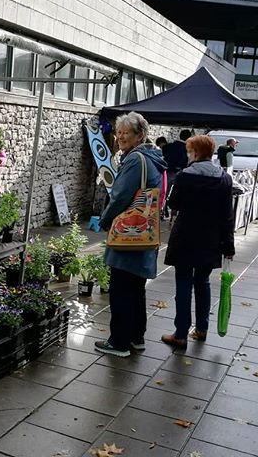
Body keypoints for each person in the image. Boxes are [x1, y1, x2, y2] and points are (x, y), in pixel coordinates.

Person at [95, 112, 167, 357]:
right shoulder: (152, 157)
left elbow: (120, 196)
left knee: (122, 288)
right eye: (120, 132)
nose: (121, 136)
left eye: (127, 132)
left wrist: (105, 220)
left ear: (141, 135)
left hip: (130, 234)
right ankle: (136, 338)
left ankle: (119, 342)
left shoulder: (136, 159)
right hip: (144, 233)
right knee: (136, 288)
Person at [161, 135, 235, 348]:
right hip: (210, 240)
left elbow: (173, 203)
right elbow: (227, 216)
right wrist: (228, 246)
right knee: (202, 282)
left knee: (183, 282)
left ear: (195, 153)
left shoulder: (185, 177)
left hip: (185, 237)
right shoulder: (224, 178)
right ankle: (202, 328)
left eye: (189, 151)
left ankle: (181, 333)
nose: (188, 155)